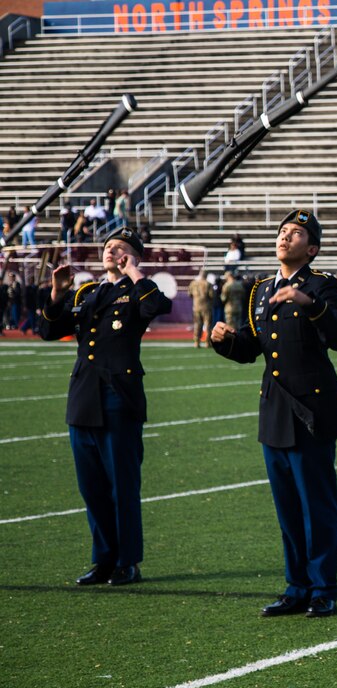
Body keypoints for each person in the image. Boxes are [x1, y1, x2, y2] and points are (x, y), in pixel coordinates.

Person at [210, 210, 337, 618]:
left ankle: (324, 588)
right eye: (282, 232)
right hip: (274, 411)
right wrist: (224, 341)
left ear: (311, 249)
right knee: (287, 508)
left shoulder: (324, 287)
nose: (285, 238)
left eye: (295, 234)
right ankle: (297, 587)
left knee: (317, 507)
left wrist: (307, 303)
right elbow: (251, 350)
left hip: (312, 410)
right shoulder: (259, 290)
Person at [39, 226, 172, 586]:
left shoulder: (137, 289)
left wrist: (134, 272)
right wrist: (57, 293)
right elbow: (49, 331)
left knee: (122, 485)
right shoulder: (88, 292)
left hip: (118, 396)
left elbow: (156, 306)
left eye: (121, 248)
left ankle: (128, 561)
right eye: (109, 246)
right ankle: (103, 558)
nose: (112, 251)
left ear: (135, 256)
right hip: (83, 395)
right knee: (92, 486)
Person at [188, 270, 215, 348]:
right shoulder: (208, 284)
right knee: (208, 325)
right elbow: (211, 295)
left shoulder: (193, 284)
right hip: (206, 307)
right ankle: (207, 342)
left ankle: (197, 342)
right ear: (206, 276)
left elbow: (189, 294)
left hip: (196, 307)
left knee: (197, 324)